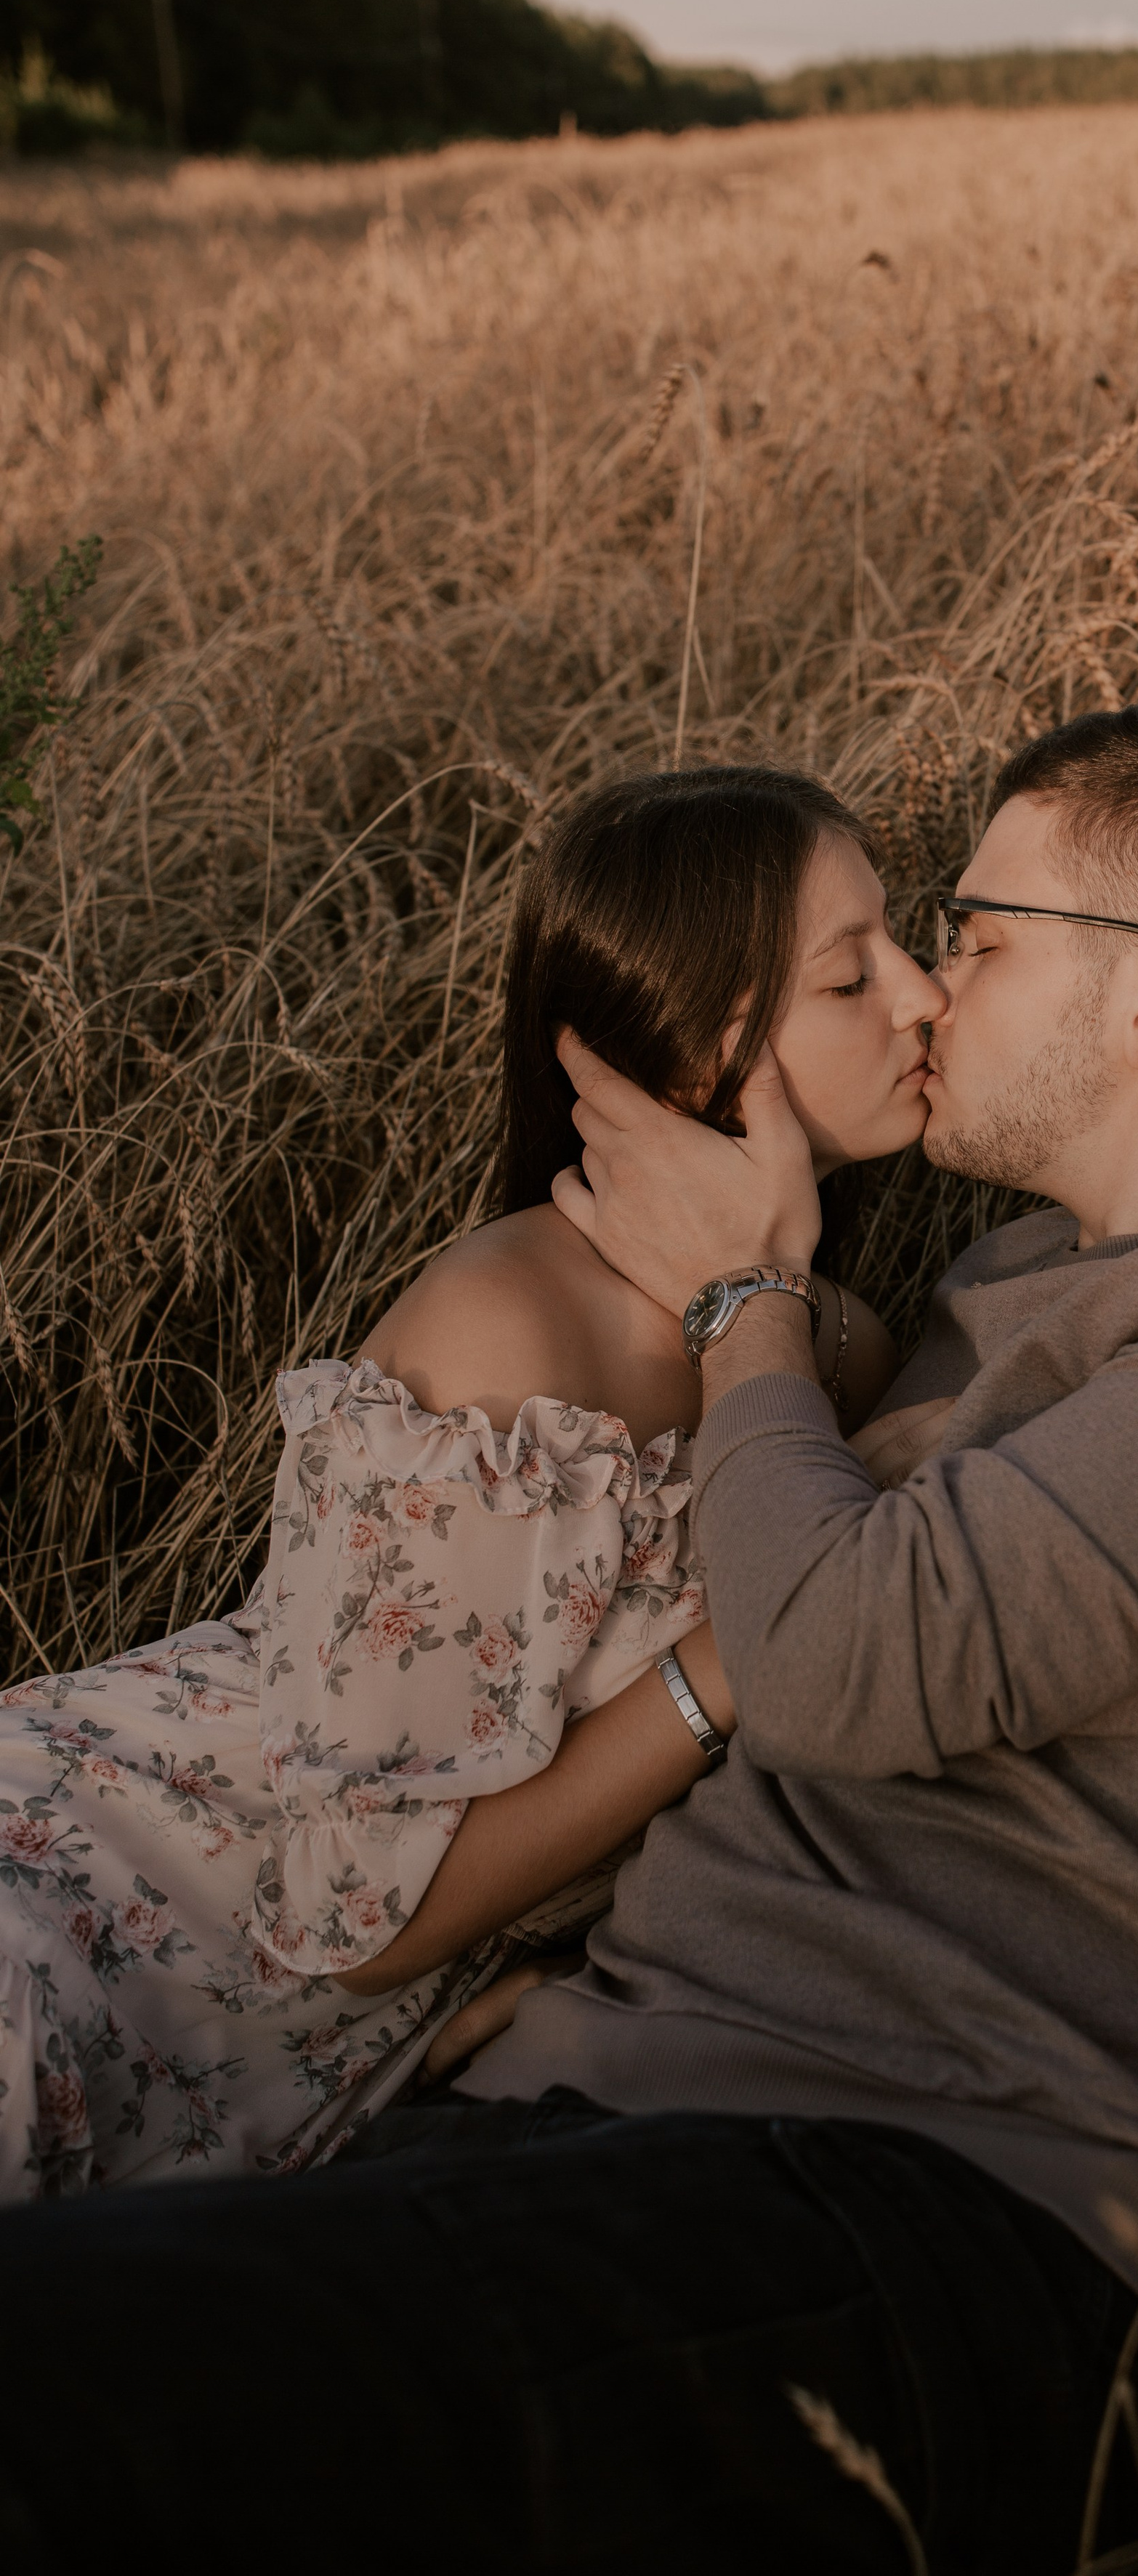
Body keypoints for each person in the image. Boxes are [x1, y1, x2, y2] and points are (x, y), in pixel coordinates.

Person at [0, 708, 1138, 2576]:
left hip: (931, 2197)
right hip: (578, 2128)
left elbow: (826, 1662)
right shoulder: (970, 1309)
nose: (931, 993)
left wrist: (746, 1299)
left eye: (976, 938)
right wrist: (537, 1992)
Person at [0, 766, 927, 2197]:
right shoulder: (507, 1335)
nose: (923, 997)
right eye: (852, 977)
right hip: (99, 1903)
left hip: (283, 2054)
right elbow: (352, 1915)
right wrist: (752, 1635)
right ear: (703, 1060)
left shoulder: (829, 1336)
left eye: (904, 948)